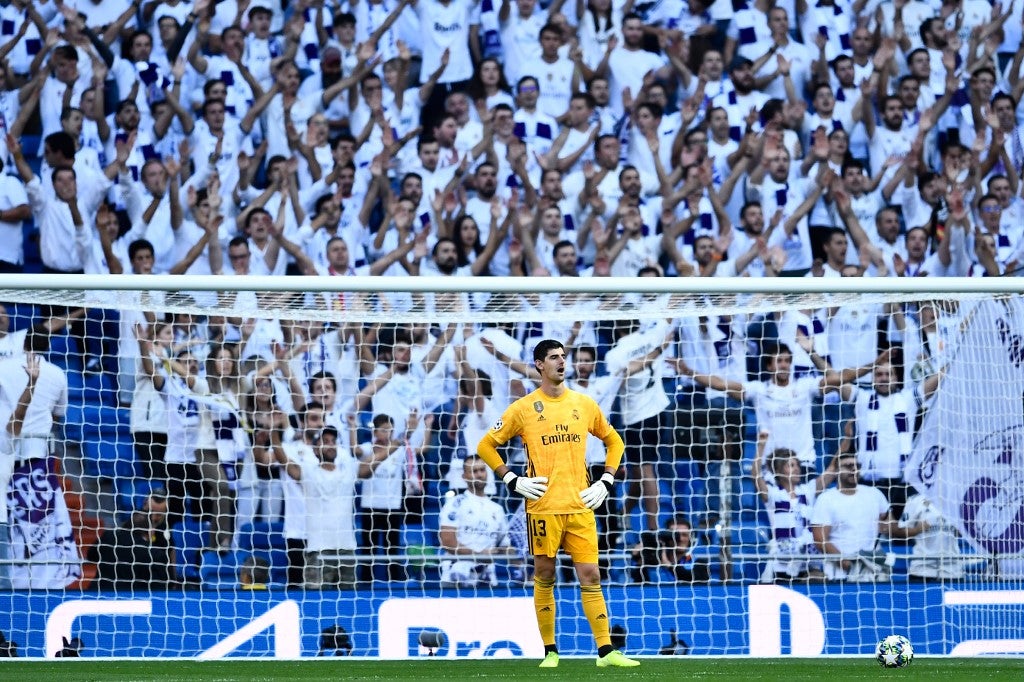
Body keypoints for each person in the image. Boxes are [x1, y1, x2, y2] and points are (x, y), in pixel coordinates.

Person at [477, 338, 639, 668]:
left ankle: (606, 652)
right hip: (543, 507)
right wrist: (512, 479)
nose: (561, 362)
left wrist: (606, 479)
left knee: (591, 575)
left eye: (563, 357)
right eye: (554, 357)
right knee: (545, 575)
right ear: (539, 365)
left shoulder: (583, 403)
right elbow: (485, 446)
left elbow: (615, 441)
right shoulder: (523, 408)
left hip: (580, 504)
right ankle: (550, 651)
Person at [753, 432, 838, 582]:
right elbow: (756, 476)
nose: (797, 468)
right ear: (779, 471)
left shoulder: (808, 491)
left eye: (797, 464)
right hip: (783, 563)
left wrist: (848, 437)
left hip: (808, 561)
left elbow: (833, 468)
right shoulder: (774, 495)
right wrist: (761, 446)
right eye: (791, 465)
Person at [438, 454, 516, 587]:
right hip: (456, 577)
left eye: (482, 470)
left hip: (487, 580)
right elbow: (448, 542)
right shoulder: (455, 504)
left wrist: (519, 555)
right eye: (474, 471)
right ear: (464, 476)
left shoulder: (497, 509)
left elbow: (504, 545)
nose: (479, 475)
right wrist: (479, 555)